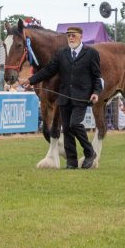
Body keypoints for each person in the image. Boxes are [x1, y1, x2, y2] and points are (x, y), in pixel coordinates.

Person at [19, 26, 100, 169]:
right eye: (69, 35)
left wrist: (96, 92)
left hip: (81, 96)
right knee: (67, 129)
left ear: (81, 36)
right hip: (64, 96)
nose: (71, 38)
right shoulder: (62, 53)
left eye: (74, 35)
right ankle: (71, 162)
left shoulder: (91, 53)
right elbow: (49, 70)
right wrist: (30, 80)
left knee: (75, 125)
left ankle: (89, 152)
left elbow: (96, 76)